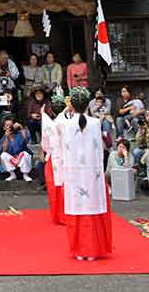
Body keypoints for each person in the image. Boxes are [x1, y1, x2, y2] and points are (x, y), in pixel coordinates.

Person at [59, 86, 112, 261]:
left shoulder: (65, 123)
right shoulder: (95, 123)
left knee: (76, 210)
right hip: (92, 172)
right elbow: (99, 151)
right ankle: (92, 249)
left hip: (73, 173)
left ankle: (79, 250)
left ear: (72, 105)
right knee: (92, 208)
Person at [41, 91, 77, 225]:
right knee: (67, 186)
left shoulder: (49, 123)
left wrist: (43, 115)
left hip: (54, 158)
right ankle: (69, 213)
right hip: (69, 158)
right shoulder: (69, 121)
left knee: (55, 187)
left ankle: (57, 216)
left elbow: (44, 145)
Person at [0, 116, 33, 182]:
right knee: (3, 155)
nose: (9, 127)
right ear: (4, 128)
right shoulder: (4, 137)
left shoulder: (20, 134)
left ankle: (25, 174)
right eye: (7, 125)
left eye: (11, 125)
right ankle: (12, 175)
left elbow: (25, 139)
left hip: (21, 158)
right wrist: (6, 137)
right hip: (12, 159)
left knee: (25, 154)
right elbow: (4, 150)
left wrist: (21, 128)